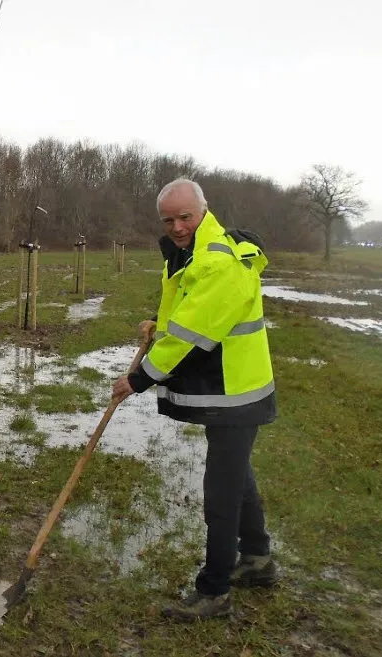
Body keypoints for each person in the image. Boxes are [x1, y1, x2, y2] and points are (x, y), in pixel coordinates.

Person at [112, 179, 279, 622]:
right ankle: (258, 561)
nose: (177, 226)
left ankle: (215, 591)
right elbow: (185, 315)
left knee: (220, 491)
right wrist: (158, 327)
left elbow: (195, 332)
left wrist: (139, 378)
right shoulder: (188, 254)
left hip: (235, 389)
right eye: (168, 220)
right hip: (227, 386)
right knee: (237, 474)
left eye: (185, 217)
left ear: (204, 210)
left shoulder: (217, 261)